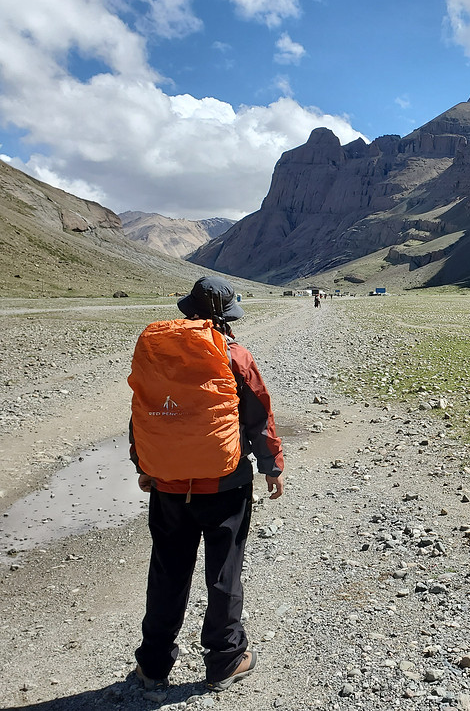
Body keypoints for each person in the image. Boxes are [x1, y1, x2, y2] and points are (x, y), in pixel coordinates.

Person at [129, 276, 285, 693]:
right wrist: (272, 465)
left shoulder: (158, 353)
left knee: (166, 572)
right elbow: (257, 416)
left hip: (168, 485)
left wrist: (144, 464)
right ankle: (225, 659)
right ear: (228, 315)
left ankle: (154, 665)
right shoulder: (235, 355)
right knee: (224, 571)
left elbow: (143, 413)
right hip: (225, 485)